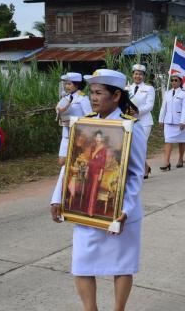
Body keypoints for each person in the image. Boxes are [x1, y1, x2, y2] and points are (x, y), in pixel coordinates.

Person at [50, 69, 146, 311]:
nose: (93, 98)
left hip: (119, 209)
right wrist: (58, 197)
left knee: (121, 265)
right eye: (91, 92)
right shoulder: (85, 123)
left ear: (115, 96)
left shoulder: (130, 127)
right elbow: (72, 163)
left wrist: (127, 208)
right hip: (84, 205)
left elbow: (135, 174)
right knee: (82, 263)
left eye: (99, 93)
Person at [56, 72, 92, 166]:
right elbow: (59, 111)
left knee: (76, 161)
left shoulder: (83, 98)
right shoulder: (65, 97)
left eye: (69, 84)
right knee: (62, 161)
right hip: (66, 133)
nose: (66, 86)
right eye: (65, 84)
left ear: (76, 85)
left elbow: (89, 116)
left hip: (78, 134)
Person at [127, 63, 155, 179]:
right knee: (132, 146)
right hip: (130, 121)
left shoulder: (149, 88)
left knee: (141, 146)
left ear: (143, 76)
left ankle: (142, 170)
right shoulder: (127, 88)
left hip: (144, 122)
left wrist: (137, 111)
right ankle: (145, 166)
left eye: (140, 74)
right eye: (136, 74)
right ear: (133, 75)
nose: (138, 76)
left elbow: (150, 105)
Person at [158, 72, 185, 170]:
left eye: (176, 80)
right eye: (172, 80)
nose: (173, 82)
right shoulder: (167, 93)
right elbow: (163, 107)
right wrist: (161, 119)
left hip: (179, 121)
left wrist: (183, 121)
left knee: (181, 141)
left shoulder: (184, 94)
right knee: (168, 141)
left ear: (180, 82)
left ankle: (180, 159)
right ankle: (166, 162)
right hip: (168, 121)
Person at [85, 131, 107, 217]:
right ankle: (87, 209)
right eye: (97, 137)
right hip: (90, 171)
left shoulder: (103, 150)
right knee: (89, 191)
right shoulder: (93, 148)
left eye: (100, 137)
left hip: (97, 173)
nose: (98, 139)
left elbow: (102, 163)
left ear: (102, 139)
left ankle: (91, 211)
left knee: (94, 192)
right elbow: (90, 160)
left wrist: (101, 174)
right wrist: (87, 170)